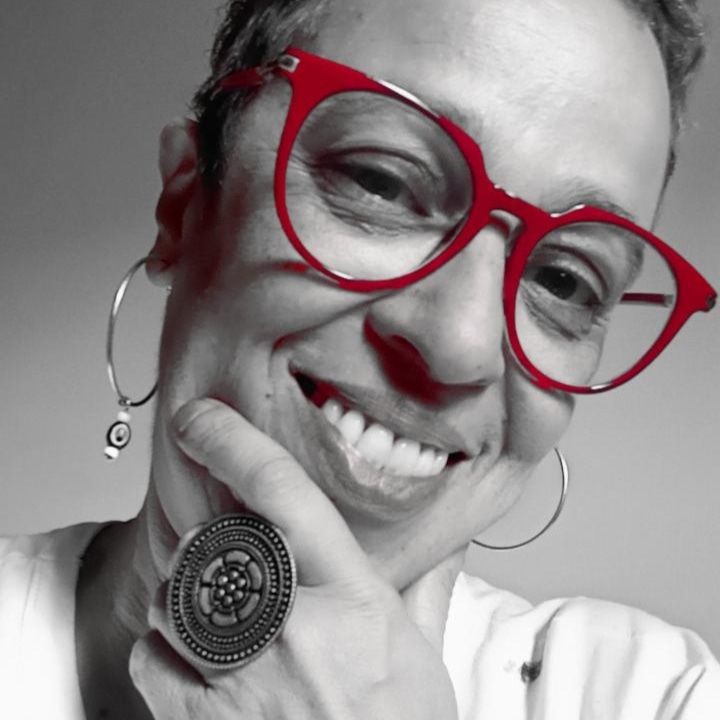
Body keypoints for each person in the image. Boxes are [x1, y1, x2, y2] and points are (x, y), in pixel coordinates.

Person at [1, 0, 719, 717]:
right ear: (184, 206)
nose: (460, 346)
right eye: (381, 182)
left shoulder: (662, 699)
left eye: (563, 280)